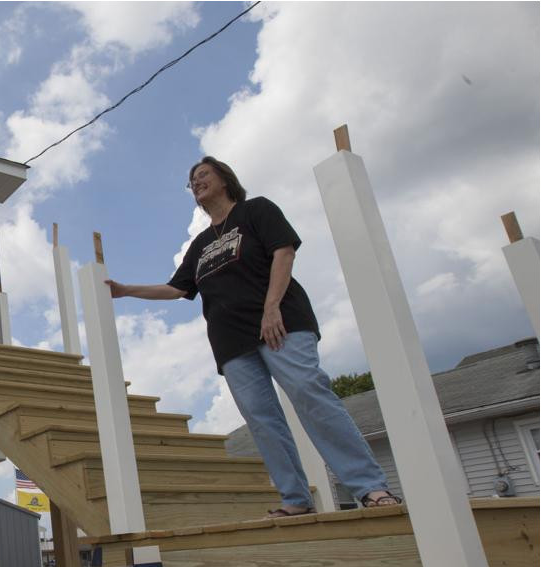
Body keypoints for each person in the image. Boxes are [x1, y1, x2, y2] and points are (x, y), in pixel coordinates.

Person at [105, 156, 400, 517]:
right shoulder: (199, 246)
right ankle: (295, 499)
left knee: (309, 393)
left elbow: (284, 252)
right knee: (262, 419)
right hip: (232, 344)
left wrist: (271, 307)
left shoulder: (255, 211)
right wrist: (124, 290)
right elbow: (176, 289)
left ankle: (369, 487)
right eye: (191, 181)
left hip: (280, 323)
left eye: (203, 175)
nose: (196, 182)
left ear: (224, 180)